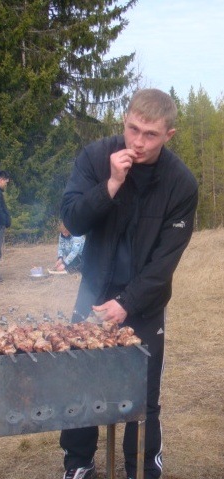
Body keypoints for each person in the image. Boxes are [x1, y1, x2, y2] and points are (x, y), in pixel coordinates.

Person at [59, 89, 198, 479]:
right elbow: (72, 220)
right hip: (93, 293)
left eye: (150, 134)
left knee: (142, 393)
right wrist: (110, 185)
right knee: (80, 381)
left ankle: (141, 468)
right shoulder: (95, 157)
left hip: (144, 303)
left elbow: (165, 262)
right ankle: (79, 464)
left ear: (169, 134)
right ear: (124, 121)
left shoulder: (181, 183)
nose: (138, 142)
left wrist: (128, 303)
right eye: (133, 129)